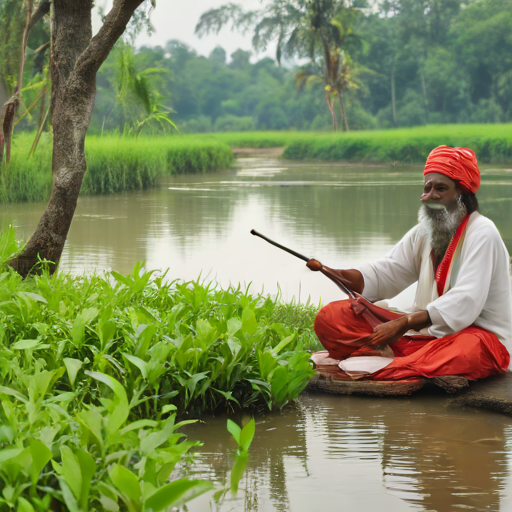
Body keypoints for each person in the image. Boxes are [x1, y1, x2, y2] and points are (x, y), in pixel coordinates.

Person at [308, 145, 511, 380]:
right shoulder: (423, 233)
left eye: (441, 188)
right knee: (333, 318)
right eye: (427, 188)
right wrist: (335, 272)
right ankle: (396, 362)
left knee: (466, 350)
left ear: (462, 194)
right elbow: (388, 271)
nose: (430, 196)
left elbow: (466, 300)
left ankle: (391, 365)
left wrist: (405, 322)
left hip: (479, 340)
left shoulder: (482, 232)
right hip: (423, 336)